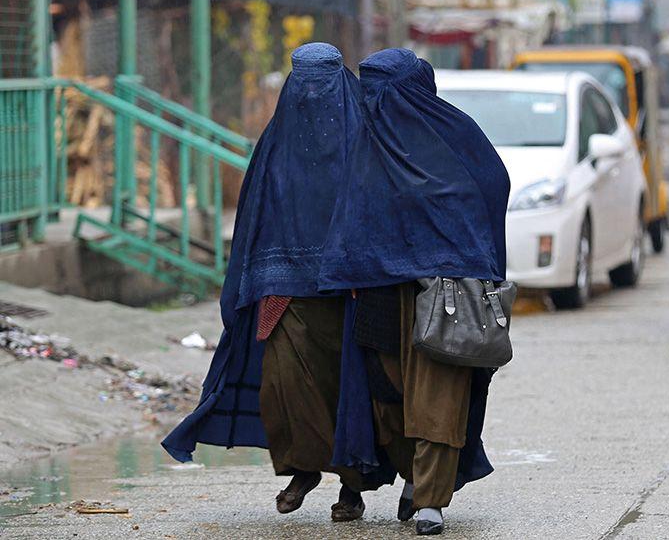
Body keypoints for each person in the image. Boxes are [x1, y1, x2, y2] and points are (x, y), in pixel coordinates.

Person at [162, 43, 383, 521]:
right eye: (302, 78)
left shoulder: (366, 139)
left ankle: (352, 487)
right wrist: (253, 279)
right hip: (285, 293)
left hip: (351, 292)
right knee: (286, 387)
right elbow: (253, 219)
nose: (312, 90)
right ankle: (303, 469)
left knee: (350, 391)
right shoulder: (276, 145)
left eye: (322, 77)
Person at [319, 48, 510, 535]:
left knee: (439, 395)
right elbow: (348, 210)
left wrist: (453, 247)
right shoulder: (364, 140)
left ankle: (430, 500)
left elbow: (488, 186)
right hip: (380, 288)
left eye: (383, 88)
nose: (373, 100)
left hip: (445, 289)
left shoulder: (455, 136)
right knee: (388, 394)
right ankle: (412, 478)